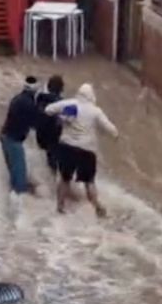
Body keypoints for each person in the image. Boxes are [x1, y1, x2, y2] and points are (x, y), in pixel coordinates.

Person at [45, 83, 119, 217]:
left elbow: (48, 110)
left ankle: (60, 208)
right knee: (89, 181)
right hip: (87, 149)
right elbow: (111, 128)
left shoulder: (70, 104)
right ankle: (97, 207)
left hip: (67, 147)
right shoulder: (96, 111)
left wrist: (62, 117)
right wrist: (115, 135)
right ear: (92, 96)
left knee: (65, 178)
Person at [0, 76, 42, 195]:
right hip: (14, 141)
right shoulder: (29, 104)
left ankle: (10, 201)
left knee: (13, 173)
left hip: (5, 136)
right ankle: (20, 204)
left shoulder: (17, 98)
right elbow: (35, 124)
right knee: (19, 177)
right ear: (35, 90)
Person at [34, 75, 65, 179]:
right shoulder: (62, 103)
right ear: (61, 89)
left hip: (40, 136)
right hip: (53, 138)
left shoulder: (40, 98)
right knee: (54, 164)